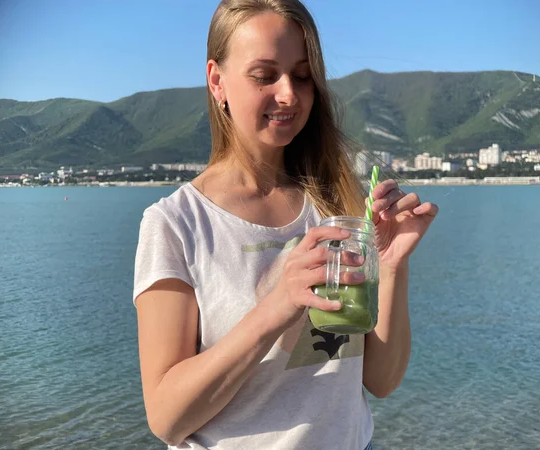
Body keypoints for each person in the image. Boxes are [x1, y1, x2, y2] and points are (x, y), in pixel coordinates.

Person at [133, 1, 439, 449]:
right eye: (264, 75)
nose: (289, 94)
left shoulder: (335, 205)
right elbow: (166, 418)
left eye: (301, 75)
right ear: (217, 81)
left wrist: (392, 267)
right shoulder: (177, 224)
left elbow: (380, 380)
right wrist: (276, 307)